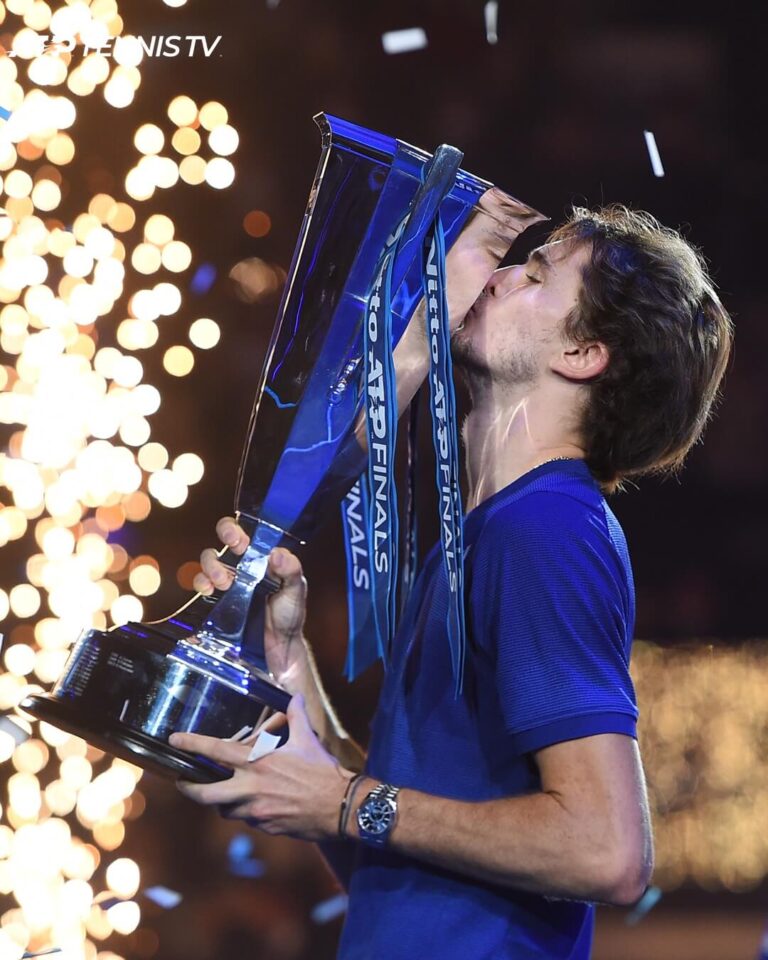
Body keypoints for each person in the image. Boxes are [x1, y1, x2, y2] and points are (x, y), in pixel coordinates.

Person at [170, 205, 733, 959]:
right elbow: (395, 856)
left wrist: (342, 801)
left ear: (583, 352)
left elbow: (608, 852)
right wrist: (289, 659)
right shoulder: (486, 533)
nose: (496, 278)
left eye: (535, 275)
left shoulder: (548, 531)